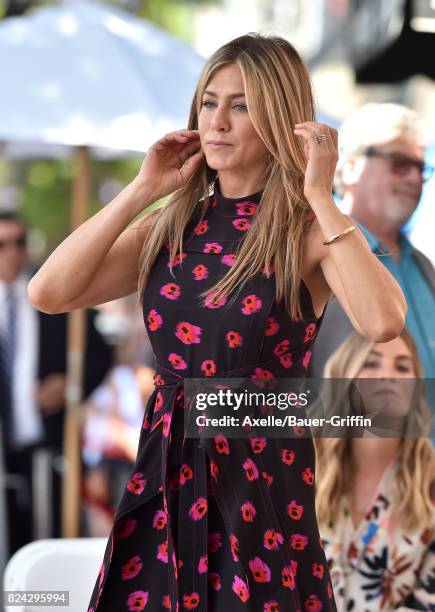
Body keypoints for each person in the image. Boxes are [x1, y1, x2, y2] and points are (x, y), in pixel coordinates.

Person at [28, 33, 406, 611]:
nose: (218, 121)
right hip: (164, 472)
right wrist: (142, 189)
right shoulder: (172, 227)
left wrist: (322, 196)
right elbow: (48, 292)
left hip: (259, 483)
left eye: (241, 105)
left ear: (279, 117)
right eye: (209, 102)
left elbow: (383, 321)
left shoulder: (305, 230)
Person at [0, 211, 113, 557]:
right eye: (2, 244)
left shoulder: (53, 294)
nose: (12, 252)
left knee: (50, 546)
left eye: (19, 242)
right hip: (4, 452)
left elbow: (99, 354)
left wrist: (69, 386)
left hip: (51, 446)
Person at [309, 103, 435, 380]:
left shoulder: (423, 265)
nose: (415, 178)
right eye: (400, 164)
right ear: (351, 166)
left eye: (420, 167)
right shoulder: (315, 246)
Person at [314, 329, 435, 610]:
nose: (387, 375)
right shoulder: (299, 467)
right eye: (371, 362)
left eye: (402, 367)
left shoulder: (430, 482)